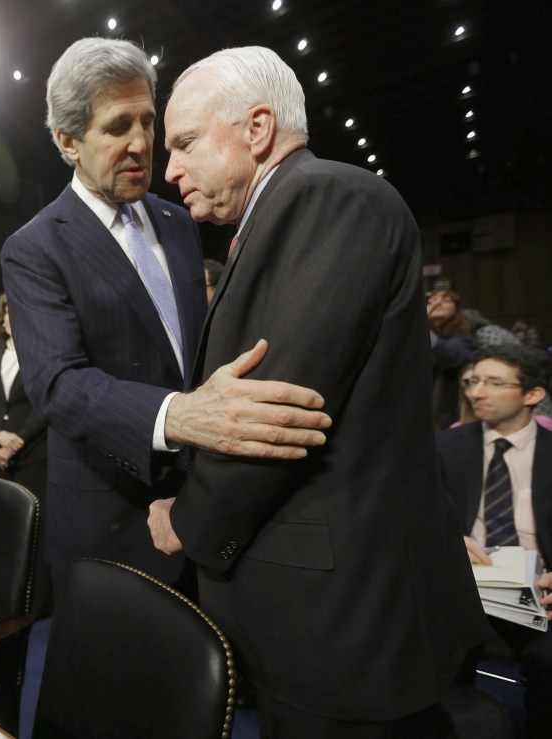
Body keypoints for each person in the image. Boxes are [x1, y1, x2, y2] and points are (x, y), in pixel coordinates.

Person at [148, 47, 490, 735]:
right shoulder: (284, 214)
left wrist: (185, 520)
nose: (169, 169)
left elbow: (270, 414)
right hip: (327, 609)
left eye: (183, 142)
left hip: (344, 622)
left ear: (256, 128)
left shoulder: (324, 198)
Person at [1, 37, 330, 588]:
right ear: (68, 141)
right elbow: (57, 384)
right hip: (110, 516)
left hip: (204, 502)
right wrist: (179, 417)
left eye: (147, 122)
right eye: (116, 127)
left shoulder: (179, 222)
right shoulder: (35, 247)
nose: (141, 144)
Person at [436, 344, 552, 738]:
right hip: (462, 583)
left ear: (532, 395)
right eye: (473, 381)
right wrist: (449, 537)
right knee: (435, 656)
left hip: (538, 588)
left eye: (494, 383)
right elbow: (415, 514)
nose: (476, 392)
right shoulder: (446, 446)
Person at [0, 296, 52, 610]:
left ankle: (36, 604)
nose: (13, 320)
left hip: (32, 455)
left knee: (34, 533)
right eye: (8, 314)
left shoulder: (43, 354)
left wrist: (18, 440)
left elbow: (45, 404)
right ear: (2, 320)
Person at [427, 288, 478, 429]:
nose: (437, 303)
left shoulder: (465, 334)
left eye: (446, 300)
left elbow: (452, 356)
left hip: (447, 412)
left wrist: (418, 324)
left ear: (456, 309)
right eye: (433, 299)